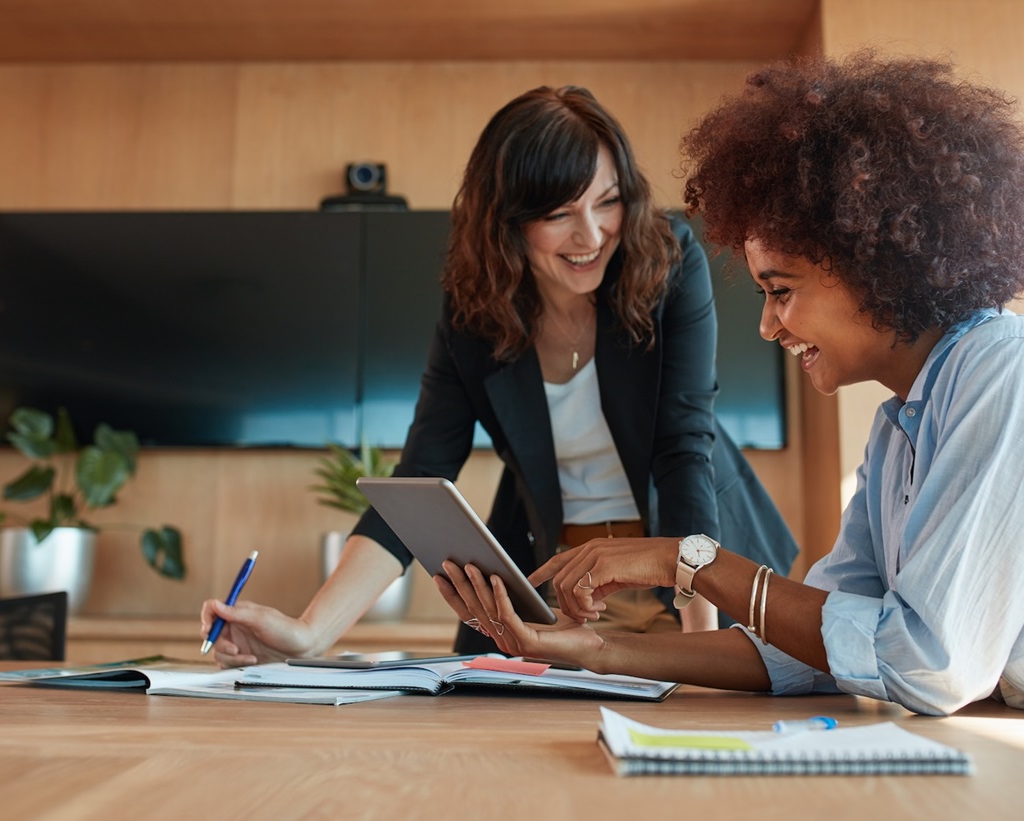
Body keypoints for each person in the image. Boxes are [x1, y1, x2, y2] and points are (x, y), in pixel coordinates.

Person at [436, 52, 1024, 735]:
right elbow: (813, 650)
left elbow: (928, 661)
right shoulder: (899, 429)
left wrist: (688, 560)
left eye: (781, 291)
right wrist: (593, 652)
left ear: (872, 260)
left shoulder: (1014, 370)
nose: (769, 323)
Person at [200, 85, 797, 665]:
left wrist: (701, 647)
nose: (591, 235)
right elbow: (420, 478)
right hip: (561, 592)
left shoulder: (667, 261)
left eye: (607, 201)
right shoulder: (475, 311)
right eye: (560, 213)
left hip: (692, 578)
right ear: (507, 221)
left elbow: (682, 447)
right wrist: (308, 634)